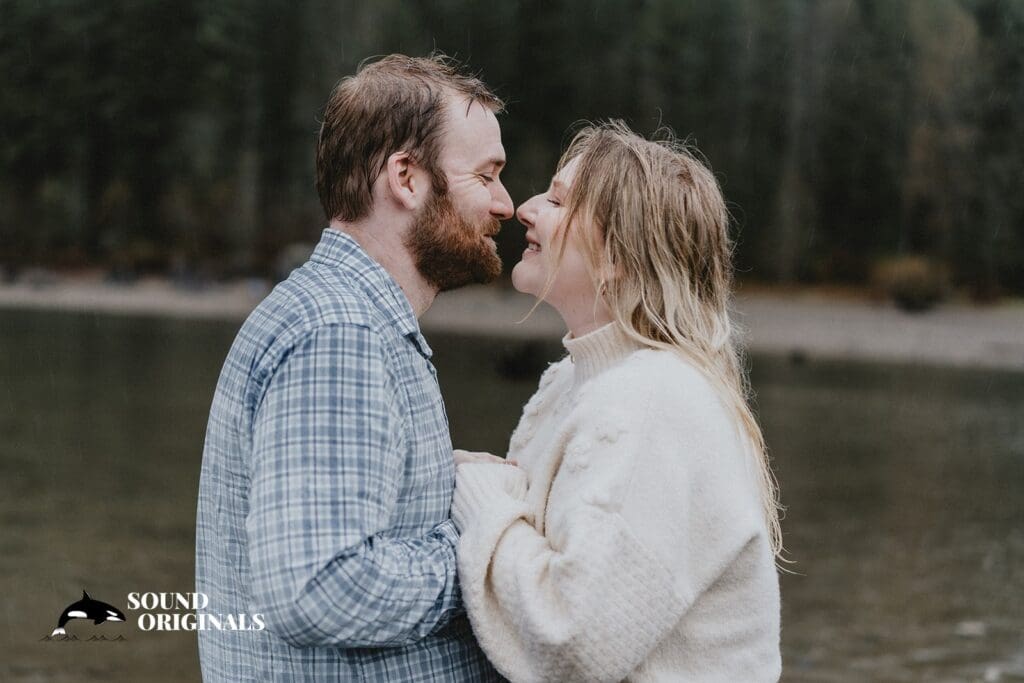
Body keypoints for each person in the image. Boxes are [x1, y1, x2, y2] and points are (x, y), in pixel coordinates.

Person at [195, 54, 514, 681]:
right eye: (487, 175)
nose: (506, 203)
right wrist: (492, 549)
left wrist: (450, 487)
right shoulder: (340, 333)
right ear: (406, 177)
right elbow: (318, 589)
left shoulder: (348, 319)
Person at [451, 121, 784, 682]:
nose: (525, 209)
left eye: (558, 200)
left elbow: (575, 641)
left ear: (616, 256)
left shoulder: (653, 400)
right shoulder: (573, 383)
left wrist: (480, 499)